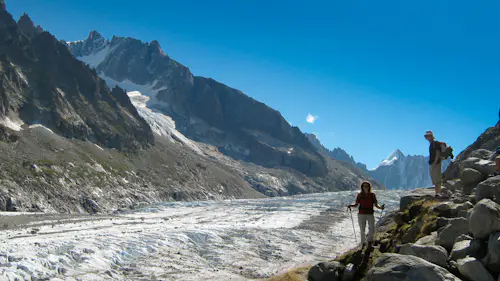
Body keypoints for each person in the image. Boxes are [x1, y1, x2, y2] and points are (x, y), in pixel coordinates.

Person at [347, 181, 385, 248]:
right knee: (362, 230)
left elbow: (376, 204)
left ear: (369, 187)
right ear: (362, 187)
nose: (365, 187)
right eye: (364, 186)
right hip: (361, 214)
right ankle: (363, 243)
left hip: (370, 214)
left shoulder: (372, 195)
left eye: (367, 186)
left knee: (372, 228)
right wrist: (350, 205)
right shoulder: (359, 195)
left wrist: (380, 207)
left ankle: (369, 241)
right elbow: (356, 205)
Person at [425, 130, 442, 197]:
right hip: (433, 163)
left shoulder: (435, 143)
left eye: (428, 136)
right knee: (434, 177)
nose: (426, 137)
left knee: (437, 178)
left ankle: (438, 193)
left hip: (436, 163)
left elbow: (438, 153)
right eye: (426, 136)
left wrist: (435, 162)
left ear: (431, 136)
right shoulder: (432, 144)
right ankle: (437, 193)